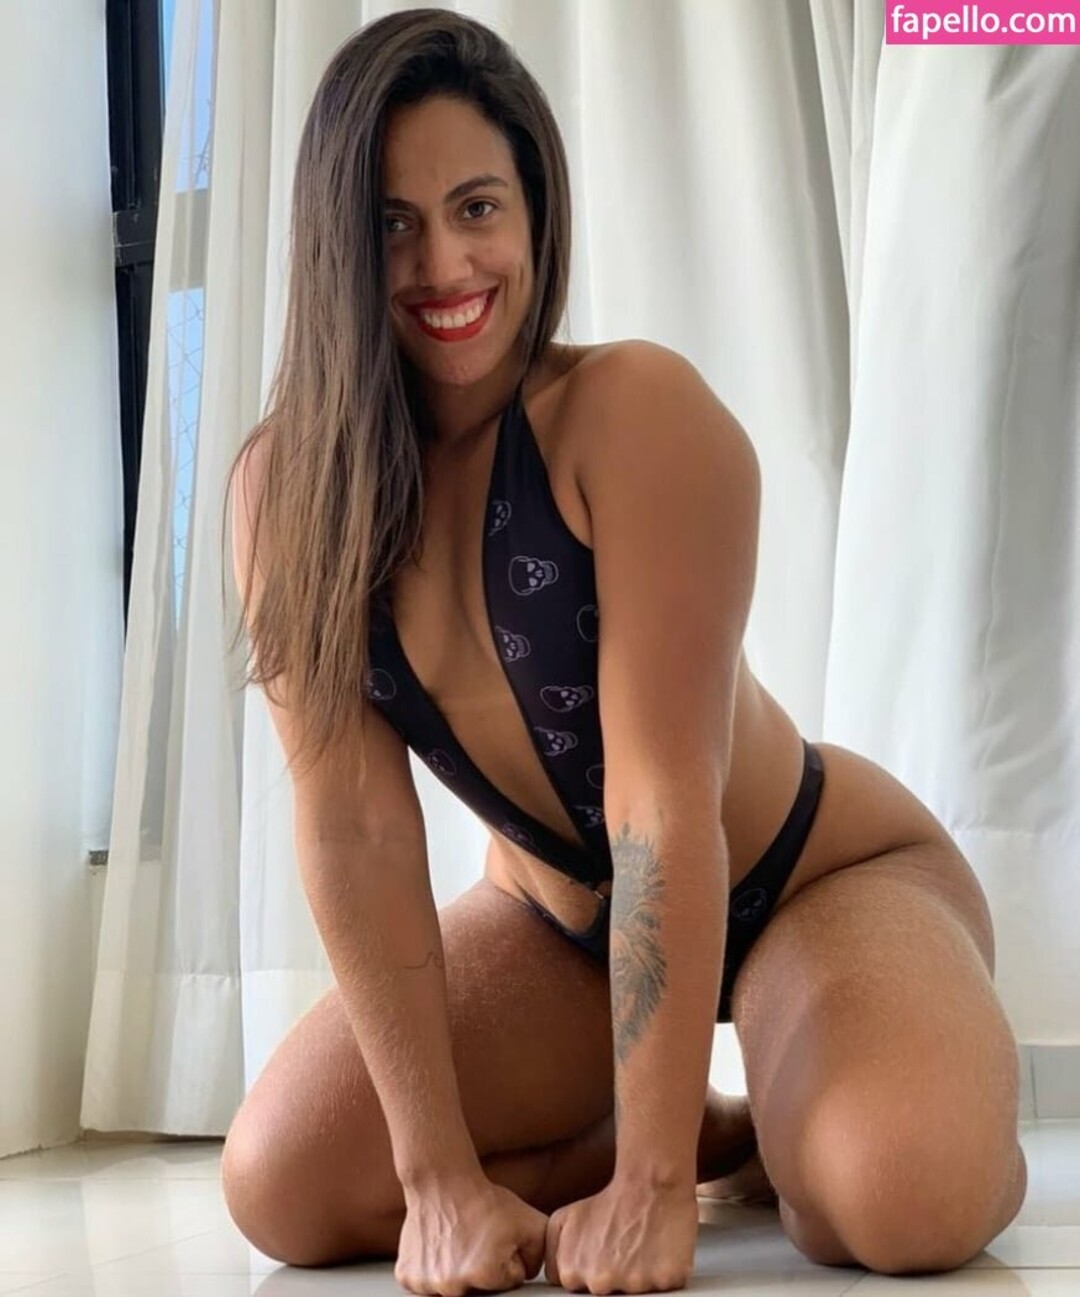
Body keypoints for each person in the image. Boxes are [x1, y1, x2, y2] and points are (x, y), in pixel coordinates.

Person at [220, 7, 1027, 1290]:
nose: (443, 262)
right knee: (282, 1185)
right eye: (392, 222)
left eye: (477, 207)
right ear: (336, 243)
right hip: (556, 931)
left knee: (895, 1196)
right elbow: (354, 831)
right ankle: (703, 1127)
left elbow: (661, 802)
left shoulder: (632, 414)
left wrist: (652, 1193)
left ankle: (849, 1092)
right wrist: (435, 1181)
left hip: (808, 882)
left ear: (536, 215)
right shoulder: (287, 497)